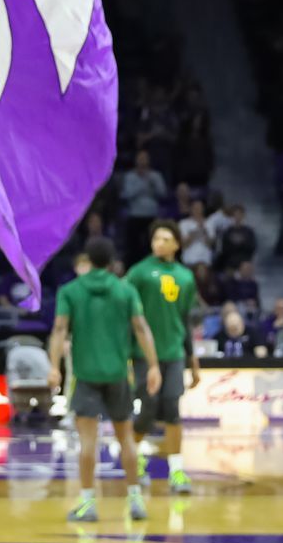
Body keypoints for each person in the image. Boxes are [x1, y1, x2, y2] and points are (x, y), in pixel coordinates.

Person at [48, 237, 160, 522]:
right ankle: (136, 500)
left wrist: (54, 367)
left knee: (87, 441)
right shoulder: (125, 290)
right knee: (126, 439)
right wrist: (154, 365)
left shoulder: (70, 291)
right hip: (118, 374)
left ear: (88, 260)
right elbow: (142, 327)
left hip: (86, 375)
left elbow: (60, 330)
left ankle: (88, 503)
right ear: (112, 263)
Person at [123, 220, 200, 495]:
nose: (159, 243)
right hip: (144, 355)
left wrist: (192, 358)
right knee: (147, 409)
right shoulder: (139, 273)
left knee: (172, 408)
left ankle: (177, 471)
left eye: (166, 239)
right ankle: (135, 460)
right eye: (156, 238)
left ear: (177, 244)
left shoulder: (186, 277)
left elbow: (185, 319)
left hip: (174, 353)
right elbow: (124, 311)